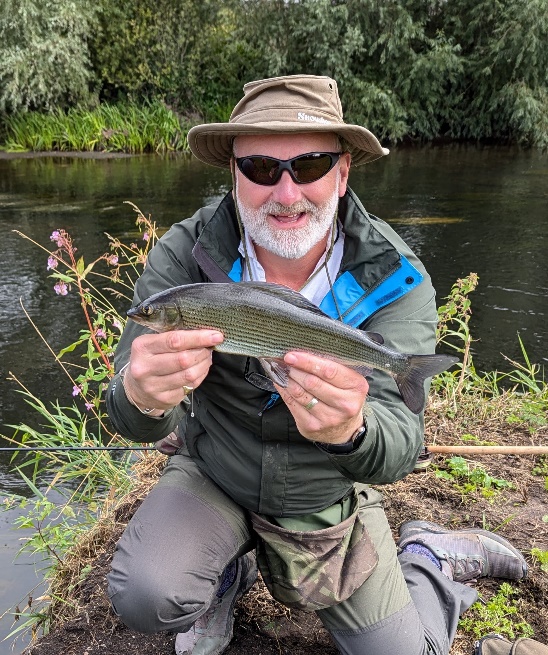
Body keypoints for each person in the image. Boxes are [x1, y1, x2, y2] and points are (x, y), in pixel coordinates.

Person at [106, 75, 528, 655]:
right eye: (259, 167)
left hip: (326, 494)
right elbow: (127, 416)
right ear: (232, 171)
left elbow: (400, 446)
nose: (285, 192)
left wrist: (350, 431)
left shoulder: (396, 276)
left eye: (308, 167)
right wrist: (142, 396)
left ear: (343, 171)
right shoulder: (184, 254)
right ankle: (224, 576)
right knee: (147, 592)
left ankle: (429, 560)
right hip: (215, 471)